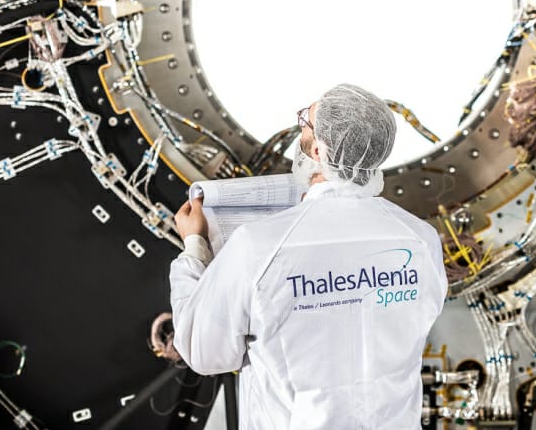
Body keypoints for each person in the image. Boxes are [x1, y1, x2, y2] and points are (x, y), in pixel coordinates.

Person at [169, 83, 447, 429]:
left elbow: (204, 352)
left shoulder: (259, 245)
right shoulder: (420, 239)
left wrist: (194, 246)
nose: (300, 128)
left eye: (305, 123)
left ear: (318, 150)